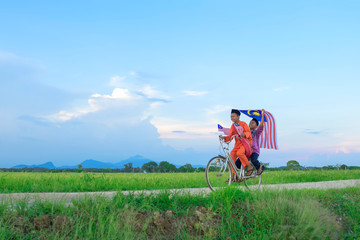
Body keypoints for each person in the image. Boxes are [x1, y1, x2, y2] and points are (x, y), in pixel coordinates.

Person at [221, 109, 254, 176]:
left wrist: (244, 134)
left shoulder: (243, 124)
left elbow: (248, 132)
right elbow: (230, 136)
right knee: (231, 157)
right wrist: (224, 137)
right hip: (237, 145)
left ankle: (249, 166)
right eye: (231, 117)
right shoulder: (233, 126)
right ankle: (232, 175)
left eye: (233, 116)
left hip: (245, 143)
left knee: (239, 153)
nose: (232, 118)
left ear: (238, 116)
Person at [248, 109, 265, 175]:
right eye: (250, 122)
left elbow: (261, 126)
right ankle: (245, 172)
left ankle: (259, 167)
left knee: (253, 160)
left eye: (252, 123)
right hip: (248, 150)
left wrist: (262, 115)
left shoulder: (256, 132)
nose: (250, 124)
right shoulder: (247, 132)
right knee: (239, 161)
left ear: (256, 126)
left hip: (255, 151)